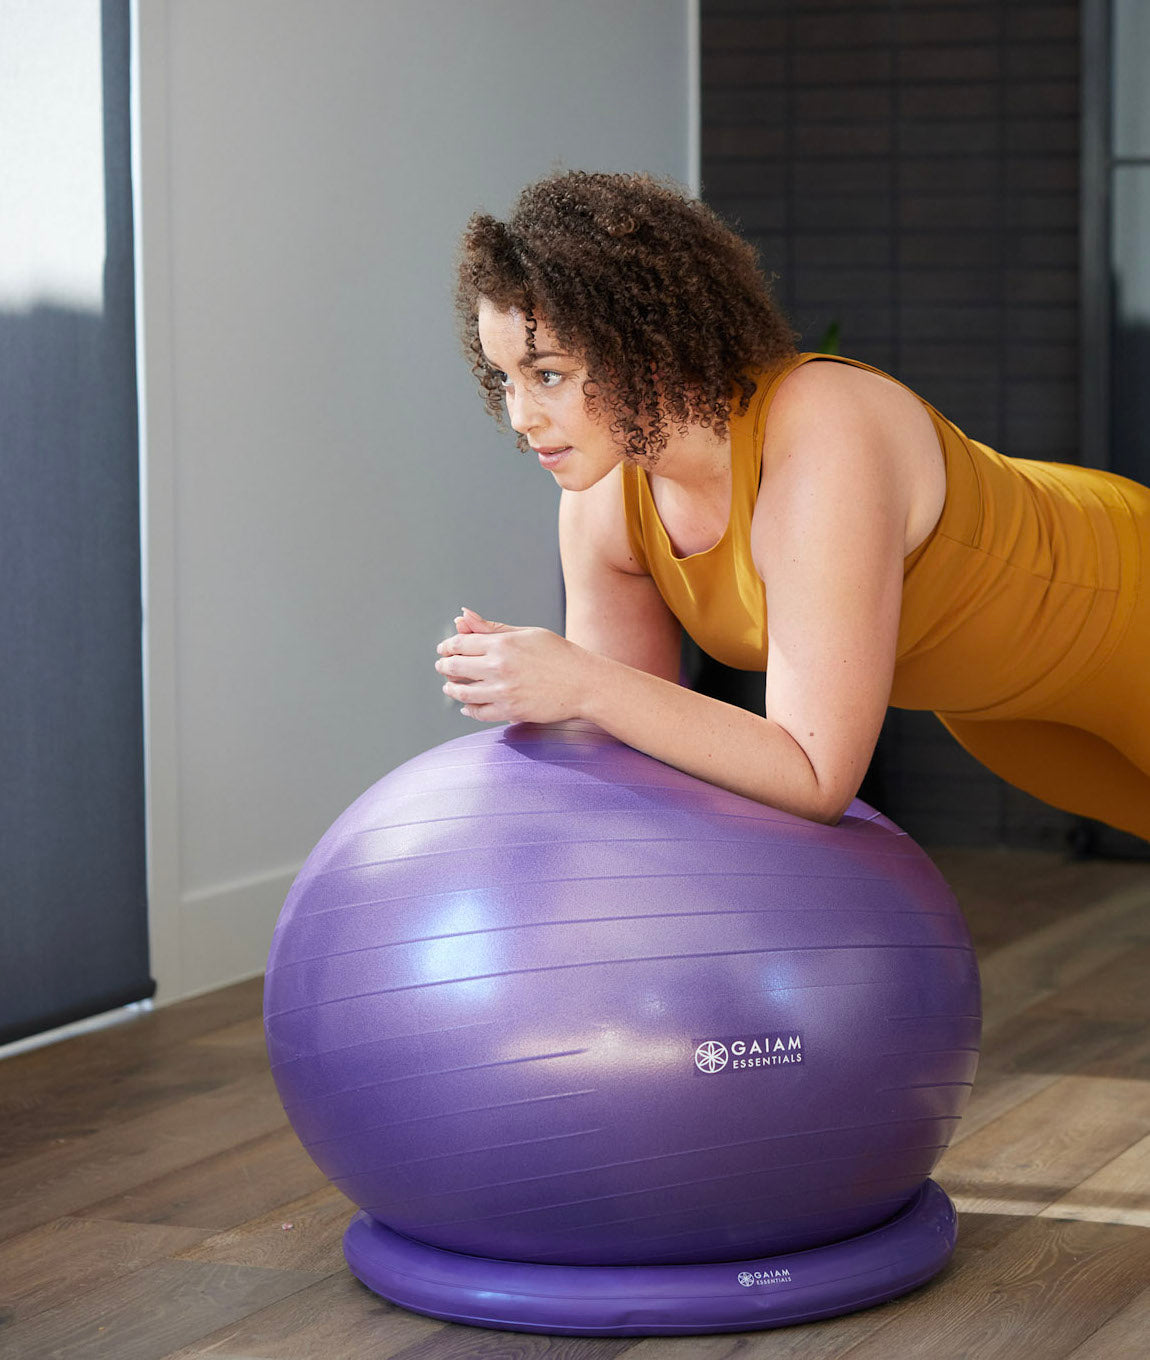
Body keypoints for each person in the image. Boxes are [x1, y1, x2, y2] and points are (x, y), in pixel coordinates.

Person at [433, 169, 1149, 842]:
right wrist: (546, 692)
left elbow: (814, 776)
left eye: (548, 374)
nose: (521, 416)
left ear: (648, 346)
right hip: (997, 702)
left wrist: (578, 680)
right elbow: (626, 750)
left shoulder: (823, 431)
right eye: (505, 380)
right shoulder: (605, 504)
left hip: (1126, 612)